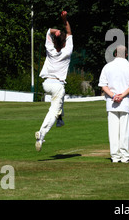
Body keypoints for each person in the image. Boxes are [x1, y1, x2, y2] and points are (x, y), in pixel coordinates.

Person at [35, 11, 73, 152]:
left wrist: (55, 30)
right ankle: (41, 134)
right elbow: (69, 32)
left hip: (47, 84)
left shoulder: (50, 49)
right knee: (53, 109)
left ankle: (60, 120)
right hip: (57, 85)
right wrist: (65, 20)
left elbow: (48, 32)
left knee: (60, 100)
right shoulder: (67, 51)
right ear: (64, 43)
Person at [98, 45, 129, 163]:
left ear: (115, 54)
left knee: (113, 131)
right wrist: (122, 95)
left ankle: (115, 156)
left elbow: (103, 85)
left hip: (112, 103)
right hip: (125, 103)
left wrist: (113, 96)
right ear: (126, 54)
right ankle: (125, 156)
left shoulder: (107, 66)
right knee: (123, 131)